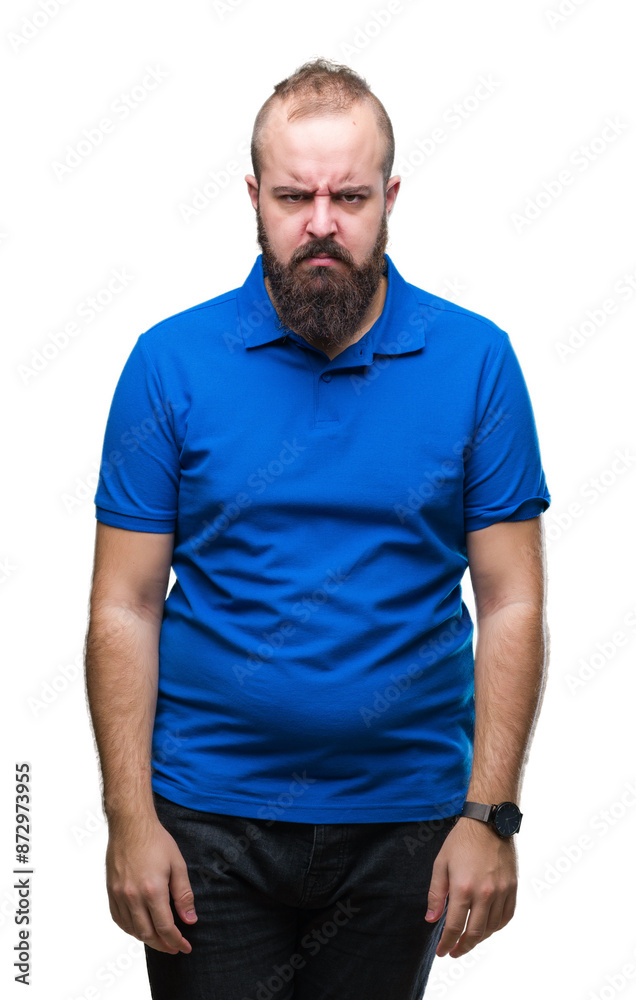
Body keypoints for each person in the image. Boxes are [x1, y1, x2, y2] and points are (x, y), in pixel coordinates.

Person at [84, 57, 551, 1000]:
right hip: (205, 825)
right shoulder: (169, 362)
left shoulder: (476, 362)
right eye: (295, 196)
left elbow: (512, 599)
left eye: (351, 195)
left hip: (406, 826)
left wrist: (491, 815)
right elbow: (123, 606)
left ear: (391, 197)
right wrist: (128, 819)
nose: (323, 224)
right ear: (255, 197)